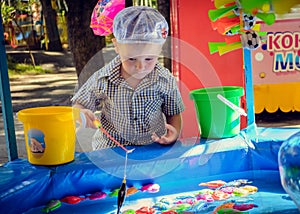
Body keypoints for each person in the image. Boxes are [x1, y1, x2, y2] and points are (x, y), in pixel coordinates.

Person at [72, 6, 184, 150]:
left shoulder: (164, 79)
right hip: (110, 149)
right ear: (117, 46)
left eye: (149, 59)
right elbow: (79, 105)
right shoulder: (103, 78)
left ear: (160, 49)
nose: (140, 66)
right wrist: (79, 112)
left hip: (152, 148)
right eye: (131, 59)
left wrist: (172, 135)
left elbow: (174, 113)